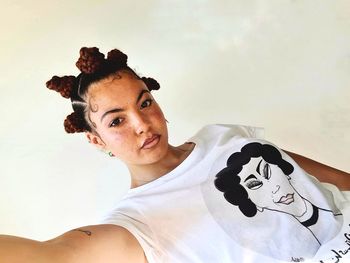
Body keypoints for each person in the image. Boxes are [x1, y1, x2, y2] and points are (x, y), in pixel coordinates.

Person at [0, 47, 349, 263]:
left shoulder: (223, 136)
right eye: (117, 120)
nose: (142, 123)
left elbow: (332, 182)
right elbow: (52, 257)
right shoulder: (132, 224)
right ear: (96, 140)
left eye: (145, 102)